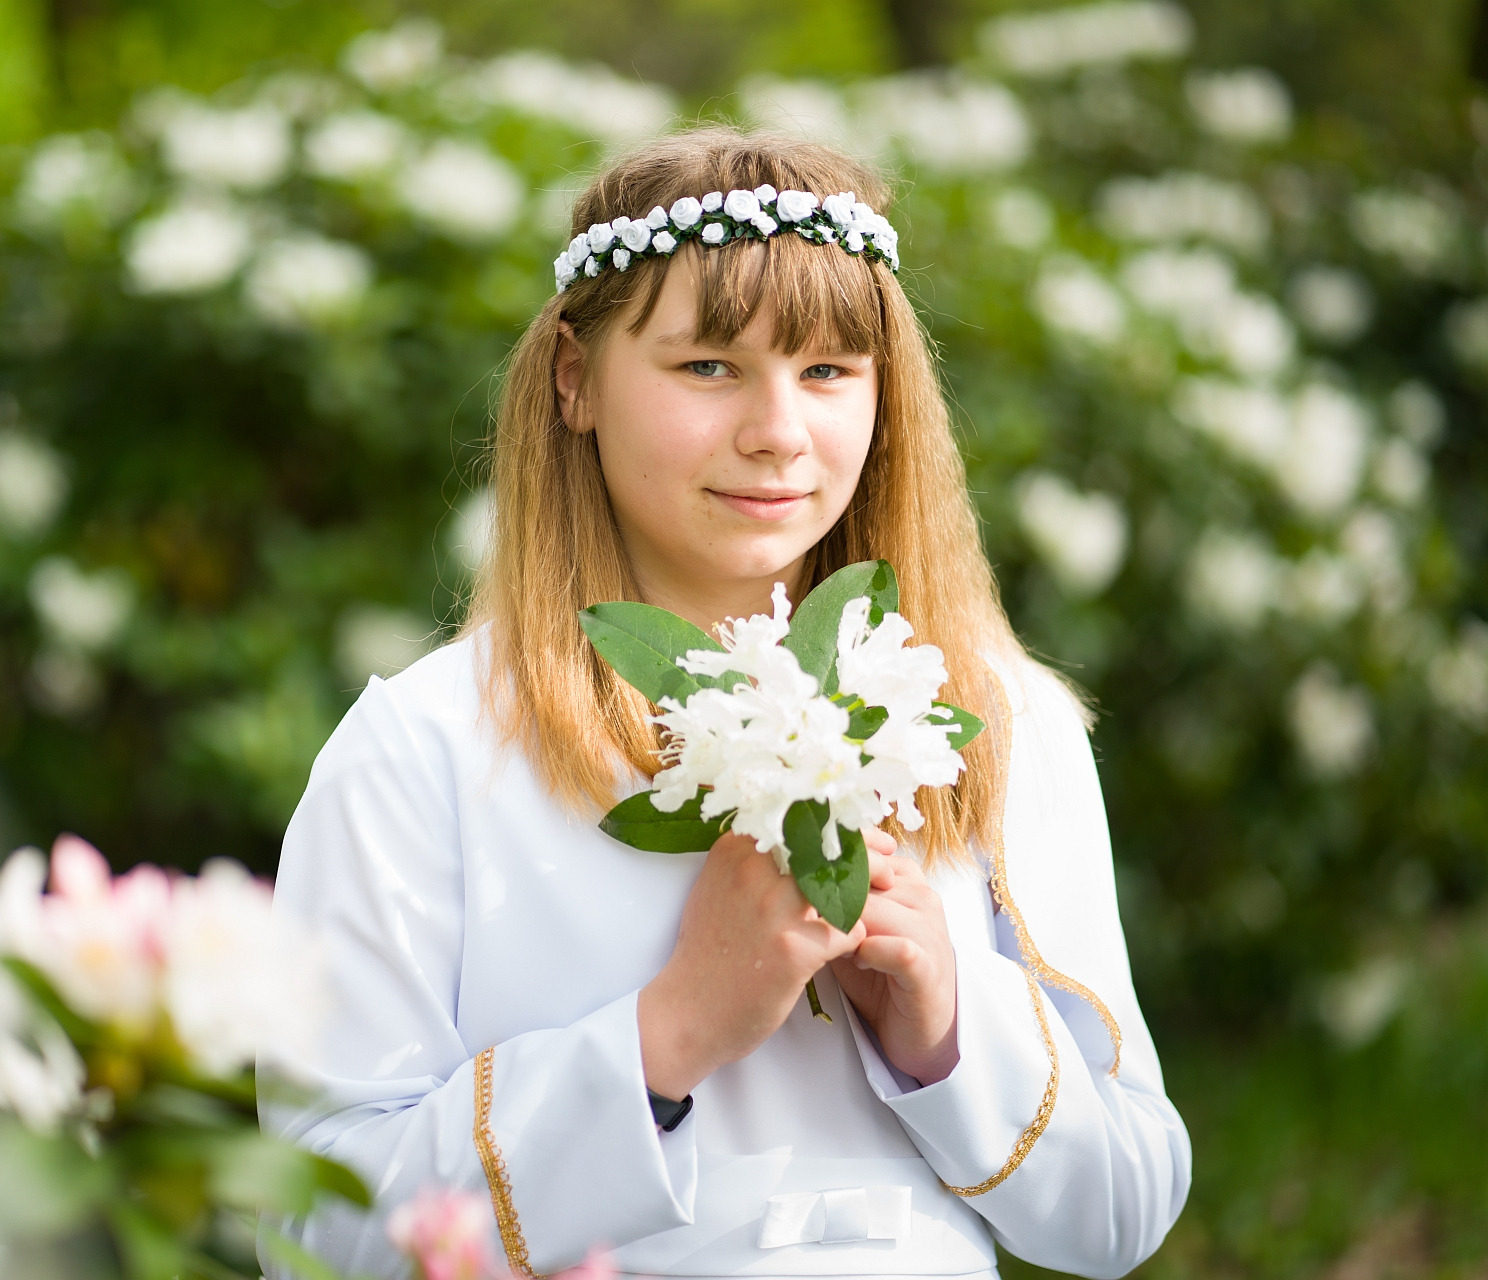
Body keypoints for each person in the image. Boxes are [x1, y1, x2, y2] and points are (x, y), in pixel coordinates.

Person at [263, 127, 1191, 1280]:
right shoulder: (424, 749)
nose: (777, 432)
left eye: (828, 371)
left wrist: (953, 1025)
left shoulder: (993, 721)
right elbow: (315, 1229)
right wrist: (669, 1033)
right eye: (709, 365)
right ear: (575, 379)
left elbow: (1125, 1207)